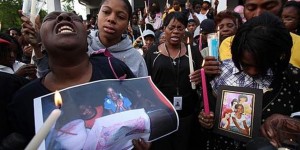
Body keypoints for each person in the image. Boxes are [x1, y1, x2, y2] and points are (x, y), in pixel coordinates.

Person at [7, 11, 151, 149]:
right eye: (51, 18)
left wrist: (146, 138)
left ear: (87, 39)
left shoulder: (114, 68)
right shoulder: (24, 101)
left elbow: (147, 113)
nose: (64, 16)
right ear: (41, 43)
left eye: (74, 18)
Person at [198, 12, 300, 149]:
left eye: (261, 65)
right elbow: (207, 109)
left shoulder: (292, 79)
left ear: (279, 55)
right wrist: (206, 120)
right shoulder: (220, 72)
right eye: (245, 64)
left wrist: (290, 122)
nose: (252, 72)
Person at [144, 12, 203, 150]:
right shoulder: (153, 53)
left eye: (180, 28)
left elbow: (203, 78)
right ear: (164, 28)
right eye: (172, 27)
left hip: (187, 114)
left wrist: (200, 77)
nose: (176, 31)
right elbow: (146, 81)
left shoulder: (193, 52)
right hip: (160, 115)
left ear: (185, 30)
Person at [218, 0, 300, 69]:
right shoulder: (229, 43)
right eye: (251, 8)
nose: (258, 14)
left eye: (269, 7)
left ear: (283, 6)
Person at [87, 0, 148, 77]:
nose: (111, 19)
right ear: (98, 15)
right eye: (106, 12)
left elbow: (142, 88)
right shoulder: (83, 48)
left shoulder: (137, 60)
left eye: (120, 17)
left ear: (127, 24)